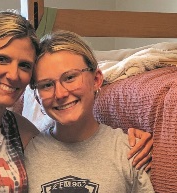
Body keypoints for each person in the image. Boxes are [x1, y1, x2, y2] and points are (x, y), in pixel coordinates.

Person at [0, 10, 151, 193]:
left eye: (24, 65)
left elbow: (70, 141)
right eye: (2, 59)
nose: (13, 75)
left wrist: (134, 138)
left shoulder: (21, 132)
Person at [24, 30, 154, 192]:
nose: (61, 94)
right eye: (46, 85)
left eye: (70, 77)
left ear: (96, 80)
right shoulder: (27, 154)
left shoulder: (128, 151)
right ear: (37, 98)